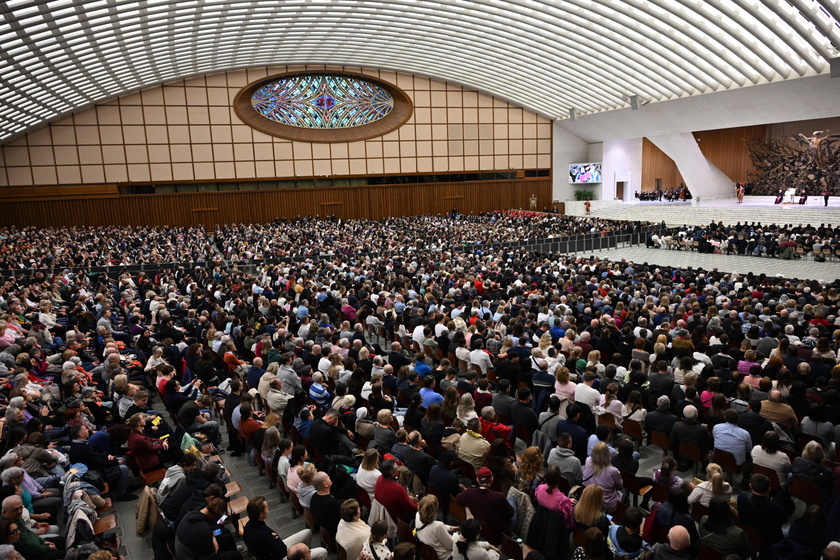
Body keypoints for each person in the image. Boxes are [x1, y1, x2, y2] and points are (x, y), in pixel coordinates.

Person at [243, 496, 327, 560]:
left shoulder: (249, 525)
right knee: (323, 552)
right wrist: (276, 538)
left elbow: (272, 533)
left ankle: (304, 554)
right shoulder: (263, 534)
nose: (268, 508)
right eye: (266, 507)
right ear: (261, 514)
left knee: (308, 532)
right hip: (278, 555)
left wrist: (275, 537)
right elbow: (282, 551)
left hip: (274, 547)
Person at [175, 485, 242, 560]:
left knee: (225, 532)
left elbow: (209, 532)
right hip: (192, 556)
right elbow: (206, 556)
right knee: (235, 556)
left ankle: (230, 549)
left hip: (191, 544)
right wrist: (213, 546)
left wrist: (212, 537)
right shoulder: (204, 530)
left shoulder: (194, 512)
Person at [455, 467, 514, 544]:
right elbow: (511, 513)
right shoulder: (499, 496)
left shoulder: (469, 493)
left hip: (483, 528)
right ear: (492, 479)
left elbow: (458, 499)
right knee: (512, 499)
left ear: (477, 480)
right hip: (498, 530)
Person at [0, 495, 62, 560]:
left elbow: (28, 532)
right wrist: (48, 548)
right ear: (4, 512)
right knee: (63, 553)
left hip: (34, 545)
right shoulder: (7, 526)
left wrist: (43, 541)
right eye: (15, 510)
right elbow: (30, 548)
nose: (19, 511)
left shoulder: (16, 518)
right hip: (31, 553)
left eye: (21, 508)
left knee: (60, 540)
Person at [737, 473, 789, 547]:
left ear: (750, 486)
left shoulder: (742, 498)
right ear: (769, 489)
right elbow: (784, 520)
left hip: (748, 535)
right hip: (771, 540)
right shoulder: (777, 508)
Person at [582, 442, 623, 513]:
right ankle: (622, 515)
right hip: (606, 504)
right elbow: (620, 485)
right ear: (607, 454)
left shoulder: (588, 460)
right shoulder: (612, 470)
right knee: (625, 491)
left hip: (589, 498)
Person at [374, 459, 417, 523]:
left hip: (385, 512)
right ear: (392, 473)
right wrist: (421, 505)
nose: (399, 469)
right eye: (397, 468)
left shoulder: (380, 478)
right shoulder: (397, 488)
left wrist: (407, 497)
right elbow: (410, 506)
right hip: (398, 517)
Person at [414, 495, 456, 560]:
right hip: (444, 556)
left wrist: (449, 527)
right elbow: (451, 545)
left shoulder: (418, 515)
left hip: (428, 552)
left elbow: (432, 525)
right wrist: (456, 535)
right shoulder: (438, 526)